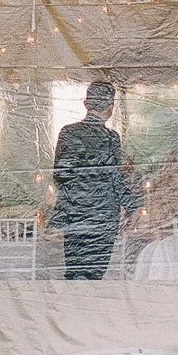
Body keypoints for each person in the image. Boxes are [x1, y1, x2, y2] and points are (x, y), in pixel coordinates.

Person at [51, 81, 142, 280]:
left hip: (75, 214)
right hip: (103, 217)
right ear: (110, 107)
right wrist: (133, 206)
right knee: (94, 275)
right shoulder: (111, 138)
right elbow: (116, 180)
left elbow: (60, 175)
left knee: (74, 273)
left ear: (86, 103)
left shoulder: (68, 132)